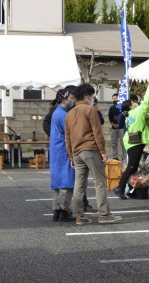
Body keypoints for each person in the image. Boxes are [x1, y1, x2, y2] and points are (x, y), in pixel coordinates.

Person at [66, 84, 121, 225]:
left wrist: (71, 156)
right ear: (86, 95)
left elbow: (67, 137)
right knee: (100, 182)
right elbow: (97, 132)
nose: (92, 98)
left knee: (79, 184)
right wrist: (103, 151)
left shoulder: (69, 114)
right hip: (91, 149)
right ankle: (104, 214)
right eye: (91, 95)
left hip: (76, 152)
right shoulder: (90, 110)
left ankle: (79, 216)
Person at [49, 87, 77, 222]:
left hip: (56, 151)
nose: (73, 100)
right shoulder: (63, 115)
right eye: (72, 98)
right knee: (67, 182)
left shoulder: (57, 112)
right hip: (64, 151)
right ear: (64, 98)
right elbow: (70, 134)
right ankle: (63, 210)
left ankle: (57, 210)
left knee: (58, 183)